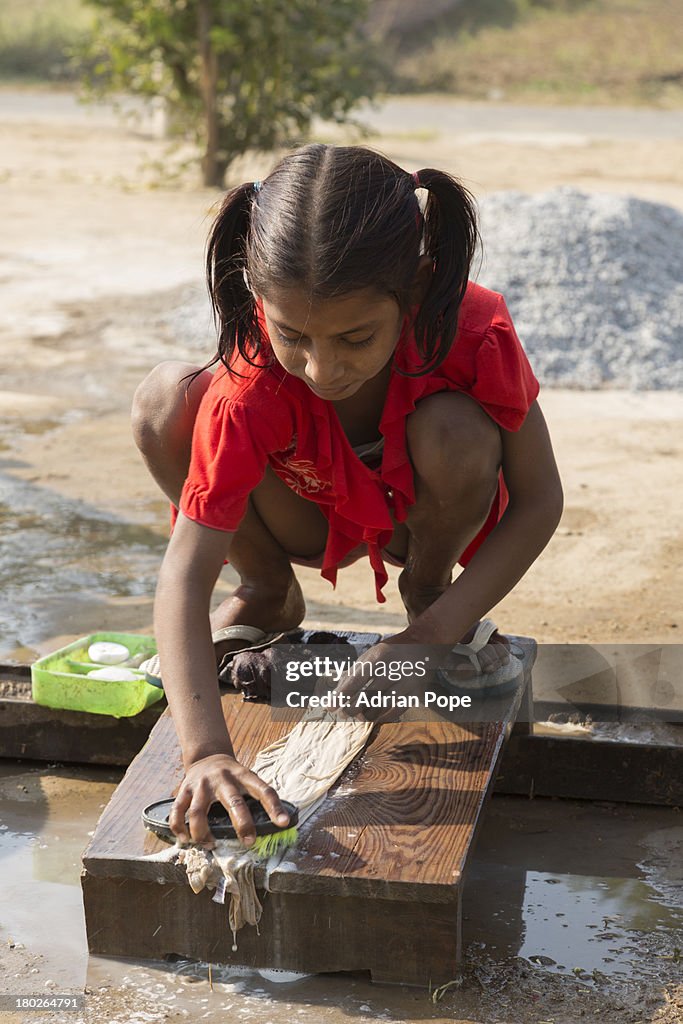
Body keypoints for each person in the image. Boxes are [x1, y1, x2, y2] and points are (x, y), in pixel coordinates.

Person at [132, 144, 563, 849]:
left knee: (452, 428)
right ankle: (266, 592)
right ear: (254, 294)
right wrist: (205, 751)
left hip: (417, 520)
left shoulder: (472, 331)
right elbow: (184, 570)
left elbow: (539, 501)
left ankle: (428, 592)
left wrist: (428, 639)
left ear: (417, 290)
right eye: (292, 336)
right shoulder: (251, 380)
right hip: (300, 511)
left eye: (356, 338)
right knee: (165, 398)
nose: (321, 368)